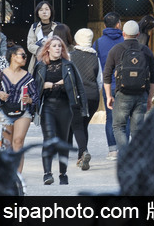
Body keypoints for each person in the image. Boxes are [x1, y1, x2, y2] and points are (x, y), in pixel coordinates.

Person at [33, 36, 88, 185]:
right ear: (48, 49)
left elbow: (79, 87)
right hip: (48, 107)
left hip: (65, 107)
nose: (57, 48)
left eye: (60, 46)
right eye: (54, 46)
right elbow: (34, 88)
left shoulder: (68, 65)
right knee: (49, 139)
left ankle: (63, 174)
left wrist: (83, 108)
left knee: (63, 141)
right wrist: (52, 85)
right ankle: (47, 173)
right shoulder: (40, 66)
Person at [102, 21, 154, 150]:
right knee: (137, 129)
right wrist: (149, 97)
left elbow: (107, 74)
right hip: (141, 94)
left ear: (123, 34)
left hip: (122, 93)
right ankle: (136, 157)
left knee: (118, 126)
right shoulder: (146, 50)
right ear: (138, 34)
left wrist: (109, 95)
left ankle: (124, 155)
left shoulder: (116, 50)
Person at [0, 45, 39, 173]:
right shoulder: (0, 74)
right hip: (3, 111)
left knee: (18, 142)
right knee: (7, 145)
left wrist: (29, 99)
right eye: (23, 55)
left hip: (22, 112)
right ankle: (9, 175)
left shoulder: (28, 77)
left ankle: (17, 178)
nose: (25, 58)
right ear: (13, 57)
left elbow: (36, 97)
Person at [69, 28, 101, 171]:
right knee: (84, 125)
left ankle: (83, 153)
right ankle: (81, 157)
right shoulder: (96, 57)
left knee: (76, 125)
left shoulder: (70, 56)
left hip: (76, 96)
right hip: (93, 96)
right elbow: (99, 80)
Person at [95, 12, 124, 160]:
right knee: (126, 117)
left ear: (104, 25)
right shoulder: (125, 39)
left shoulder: (99, 43)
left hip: (108, 85)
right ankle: (124, 149)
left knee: (110, 118)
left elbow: (96, 64)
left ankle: (112, 150)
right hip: (125, 85)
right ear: (118, 24)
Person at [26, 1, 65, 70]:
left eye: (47, 9)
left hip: (56, 60)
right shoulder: (34, 27)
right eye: (41, 10)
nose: (44, 12)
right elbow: (30, 45)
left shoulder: (58, 26)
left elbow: (63, 44)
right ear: (37, 13)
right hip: (38, 60)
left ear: (51, 11)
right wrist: (42, 51)